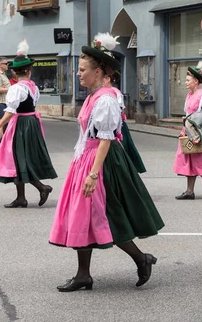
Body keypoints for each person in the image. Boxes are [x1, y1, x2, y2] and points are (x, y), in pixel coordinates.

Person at [49, 33, 164, 292]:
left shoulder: (107, 99)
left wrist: (92, 174)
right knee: (82, 217)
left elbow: (106, 139)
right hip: (87, 159)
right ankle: (83, 275)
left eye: (82, 70)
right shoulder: (92, 97)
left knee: (110, 216)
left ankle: (141, 258)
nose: (78, 74)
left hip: (103, 162)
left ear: (98, 71)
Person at [0, 40, 56, 208]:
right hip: (31, 122)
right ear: (28, 71)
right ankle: (21, 197)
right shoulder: (33, 87)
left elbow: (10, 111)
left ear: (15, 73)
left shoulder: (17, 88)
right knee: (19, 159)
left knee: (19, 159)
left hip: (21, 124)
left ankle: (41, 188)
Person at [173, 60, 202, 199]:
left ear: (196, 81)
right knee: (189, 161)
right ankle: (189, 191)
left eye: (188, 80)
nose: (185, 82)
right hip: (188, 133)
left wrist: (198, 120)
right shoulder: (189, 95)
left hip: (200, 134)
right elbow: (188, 115)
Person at [104, 71, 147, 174]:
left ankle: (125, 170)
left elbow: (119, 109)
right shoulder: (104, 92)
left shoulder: (115, 92)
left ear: (108, 79)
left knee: (122, 148)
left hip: (117, 125)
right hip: (109, 125)